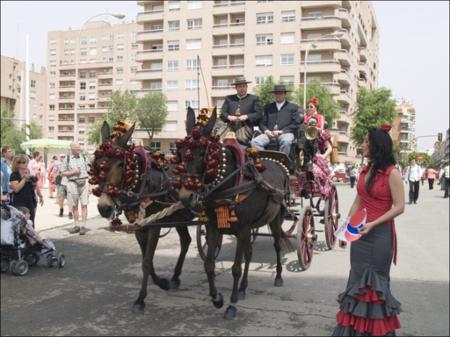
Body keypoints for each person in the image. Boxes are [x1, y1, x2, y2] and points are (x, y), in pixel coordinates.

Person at [332, 125, 404, 336]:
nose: (362, 144)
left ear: (377, 146)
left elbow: (400, 207)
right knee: (357, 282)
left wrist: (373, 224)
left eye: (366, 142)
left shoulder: (392, 173)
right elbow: (358, 200)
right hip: (360, 236)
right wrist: (346, 229)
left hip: (380, 237)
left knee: (374, 287)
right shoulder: (365, 170)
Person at [251, 85, 300, 156]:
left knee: (286, 141)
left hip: (285, 133)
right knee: (255, 142)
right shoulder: (268, 107)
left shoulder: (292, 107)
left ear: (285, 94)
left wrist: (281, 131)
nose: (278, 95)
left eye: (281, 93)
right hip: (270, 133)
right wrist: (266, 131)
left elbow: (296, 123)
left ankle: (282, 163)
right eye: (277, 93)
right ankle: (265, 162)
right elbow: (262, 123)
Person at [219, 77, 261, 145]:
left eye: (244, 86)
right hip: (229, 126)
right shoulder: (229, 98)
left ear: (247, 87)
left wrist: (247, 116)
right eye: (240, 86)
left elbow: (258, 114)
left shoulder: (254, 98)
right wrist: (229, 117)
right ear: (236, 88)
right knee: (219, 138)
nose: (242, 88)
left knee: (240, 140)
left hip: (245, 127)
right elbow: (222, 113)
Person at [9, 154, 44, 226]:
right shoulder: (14, 175)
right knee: (21, 224)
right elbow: (16, 189)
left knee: (31, 223)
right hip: (20, 203)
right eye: (23, 162)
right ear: (17, 163)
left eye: (26, 162)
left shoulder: (29, 172)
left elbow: (33, 186)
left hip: (30, 201)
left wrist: (40, 195)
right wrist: (24, 179)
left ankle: (31, 236)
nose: (26, 164)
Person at [62, 143, 89, 235]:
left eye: (79, 147)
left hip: (84, 182)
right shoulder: (67, 159)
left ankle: (84, 226)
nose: (79, 149)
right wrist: (73, 172)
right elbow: (63, 173)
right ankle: (76, 225)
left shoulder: (84, 158)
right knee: (74, 206)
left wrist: (92, 185)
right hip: (72, 183)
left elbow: (89, 170)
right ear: (72, 149)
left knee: (84, 205)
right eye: (77, 148)